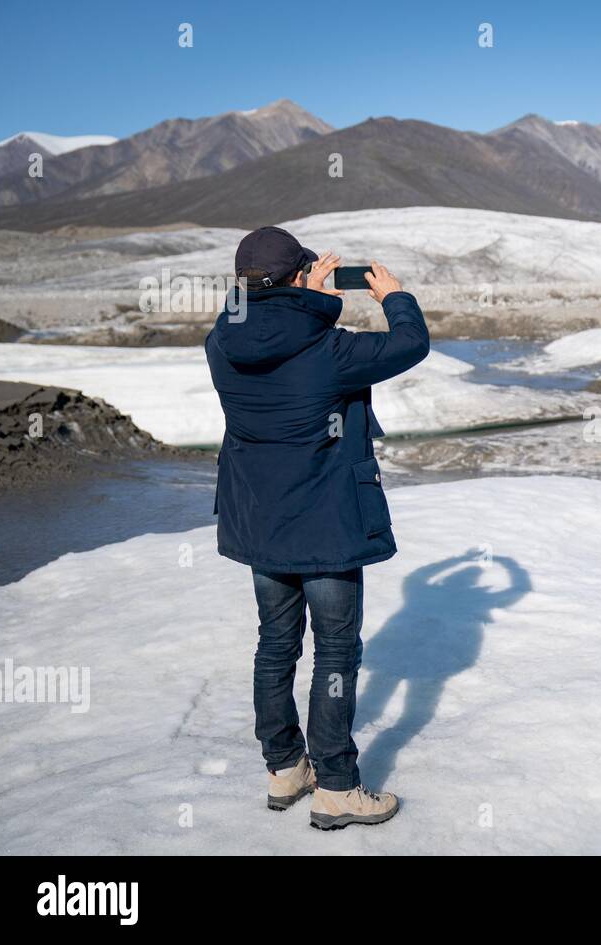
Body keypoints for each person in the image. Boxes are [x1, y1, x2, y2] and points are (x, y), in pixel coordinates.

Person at [205, 226, 429, 830]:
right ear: (299, 277)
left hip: (260, 521)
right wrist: (393, 298)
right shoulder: (331, 350)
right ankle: (336, 786)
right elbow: (410, 345)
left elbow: (264, 325)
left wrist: (301, 294)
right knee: (335, 651)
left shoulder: (221, 340)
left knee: (275, 644)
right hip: (327, 526)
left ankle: (285, 768)